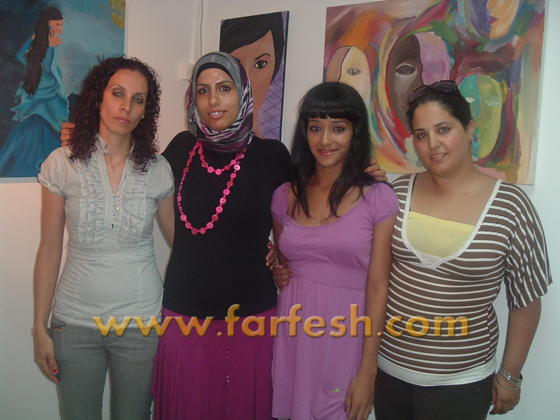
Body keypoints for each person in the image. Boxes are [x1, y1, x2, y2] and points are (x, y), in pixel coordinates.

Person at [372, 81, 552, 419]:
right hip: (389, 375)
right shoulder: (397, 193)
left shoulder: (511, 206)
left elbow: (526, 300)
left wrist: (510, 375)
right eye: (421, 134)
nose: (432, 144)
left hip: (462, 385)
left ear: (469, 129)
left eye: (444, 129)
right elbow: (368, 268)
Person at [32, 56, 174, 420]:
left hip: (140, 323)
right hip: (74, 323)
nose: (126, 107)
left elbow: (183, 244)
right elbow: (49, 249)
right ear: (99, 98)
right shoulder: (62, 163)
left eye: (138, 99)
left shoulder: (157, 169)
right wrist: (40, 328)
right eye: (118, 93)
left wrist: (253, 247)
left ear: (146, 111)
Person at [270, 82, 399, 420]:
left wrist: (368, 368)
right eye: (315, 128)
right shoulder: (284, 195)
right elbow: (287, 262)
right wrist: (278, 271)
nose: (325, 140)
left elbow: (379, 286)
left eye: (338, 128)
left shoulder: (378, 197)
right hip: (294, 332)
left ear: (355, 133)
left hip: (347, 335)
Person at [0, 6, 69, 177]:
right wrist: (60, 87)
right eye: (58, 25)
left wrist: (34, 67)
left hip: (35, 82)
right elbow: (52, 69)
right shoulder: (55, 41)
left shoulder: (36, 38)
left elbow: (20, 56)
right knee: (55, 115)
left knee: (35, 115)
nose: (61, 28)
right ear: (49, 24)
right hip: (48, 84)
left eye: (61, 25)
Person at [220, 12, 285, 139]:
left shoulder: (274, 150)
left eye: (260, 64)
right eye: (236, 66)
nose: (247, 80)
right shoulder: (188, 143)